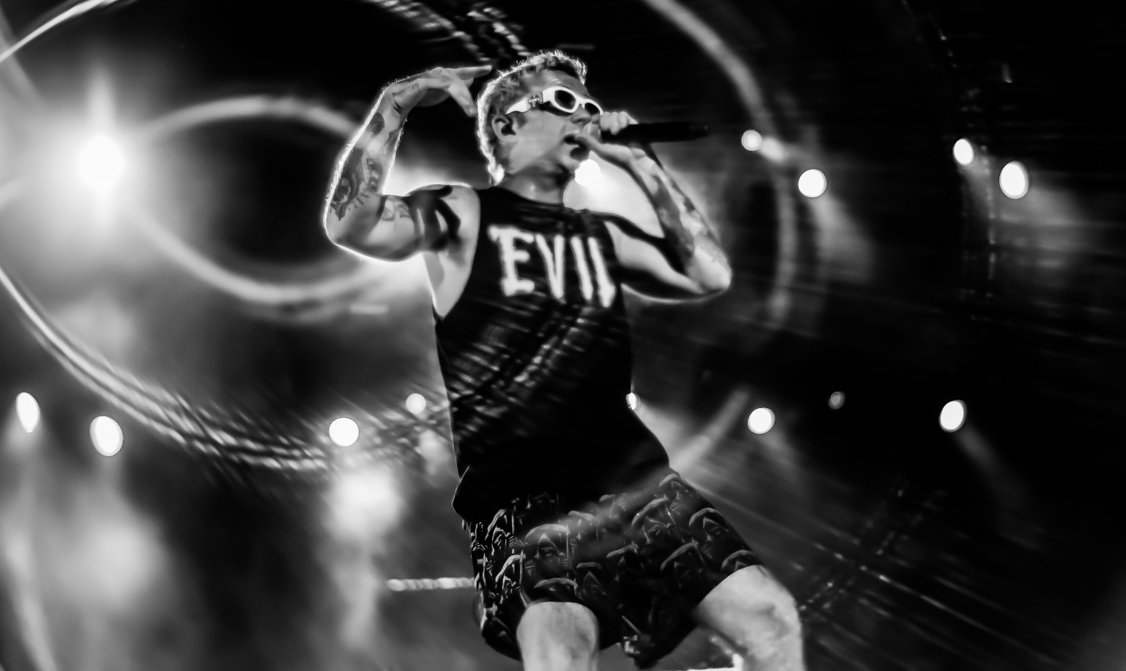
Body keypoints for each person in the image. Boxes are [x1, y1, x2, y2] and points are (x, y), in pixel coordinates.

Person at [322, 51, 804, 671]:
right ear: (508, 125)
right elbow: (351, 223)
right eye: (566, 102)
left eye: (591, 106)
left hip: (633, 478)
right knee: (562, 653)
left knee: (771, 619)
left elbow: (707, 274)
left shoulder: (602, 233)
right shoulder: (464, 210)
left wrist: (640, 162)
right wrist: (398, 100)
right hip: (523, 492)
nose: (586, 117)